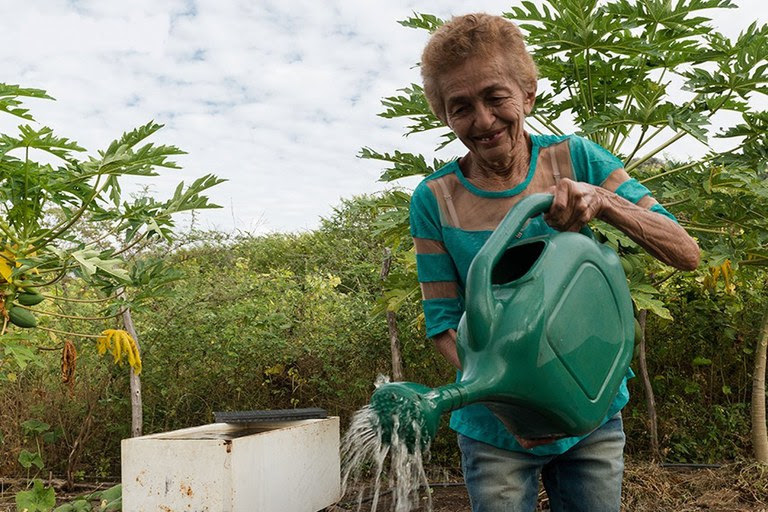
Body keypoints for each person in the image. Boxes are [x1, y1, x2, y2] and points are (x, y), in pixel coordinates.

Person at [410, 13, 700, 512]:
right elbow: (442, 324)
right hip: (495, 425)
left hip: (592, 409)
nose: (482, 121)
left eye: (495, 97)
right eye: (461, 107)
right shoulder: (436, 200)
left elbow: (685, 251)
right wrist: (516, 401)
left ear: (528, 94)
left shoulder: (576, 159)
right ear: (444, 115)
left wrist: (606, 203)